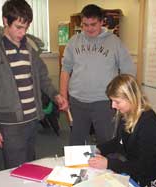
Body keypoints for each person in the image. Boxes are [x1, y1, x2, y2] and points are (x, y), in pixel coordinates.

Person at [0, 0, 67, 169]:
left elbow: (42, 76)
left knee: (30, 165)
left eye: (26, 28)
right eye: (18, 27)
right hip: (10, 124)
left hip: (32, 119)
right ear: (5, 21)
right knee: (16, 169)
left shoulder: (29, 47)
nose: (23, 33)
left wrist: (55, 94)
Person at [60, 4, 136, 145]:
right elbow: (65, 69)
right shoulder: (73, 42)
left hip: (105, 102)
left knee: (107, 143)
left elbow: (128, 71)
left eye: (93, 24)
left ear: (102, 22)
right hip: (77, 101)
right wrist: (63, 96)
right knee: (76, 143)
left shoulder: (114, 42)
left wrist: (125, 98)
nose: (89, 29)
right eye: (85, 25)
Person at [88, 74, 156, 187]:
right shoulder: (127, 113)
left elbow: (144, 166)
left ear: (131, 98)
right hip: (133, 168)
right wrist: (99, 149)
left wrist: (109, 163)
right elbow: (118, 141)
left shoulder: (149, 123)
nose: (113, 106)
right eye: (112, 101)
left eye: (117, 102)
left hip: (148, 178)